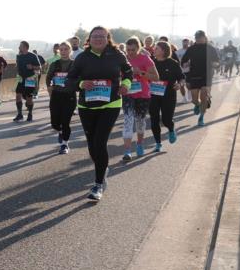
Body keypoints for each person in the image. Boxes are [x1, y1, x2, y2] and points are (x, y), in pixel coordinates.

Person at [65, 26, 134, 202]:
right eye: (95, 36)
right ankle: (103, 169)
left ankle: (98, 184)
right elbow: (69, 80)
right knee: (92, 145)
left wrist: (126, 84)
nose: (98, 39)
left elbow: (128, 71)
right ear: (89, 39)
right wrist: (81, 84)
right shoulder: (82, 57)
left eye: (101, 36)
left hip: (110, 103)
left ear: (107, 38)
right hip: (87, 106)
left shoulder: (117, 54)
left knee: (100, 142)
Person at [121, 37, 158, 160]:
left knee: (140, 122)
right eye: (128, 49)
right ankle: (127, 151)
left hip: (143, 94)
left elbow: (156, 77)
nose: (130, 52)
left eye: (133, 50)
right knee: (128, 120)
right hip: (128, 94)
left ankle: (140, 143)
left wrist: (141, 72)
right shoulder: (123, 59)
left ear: (139, 48)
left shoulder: (145, 59)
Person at [179, 30, 221, 127]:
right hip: (194, 75)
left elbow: (217, 61)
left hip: (207, 75)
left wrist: (216, 64)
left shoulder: (210, 48)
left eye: (200, 37)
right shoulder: (191, 49)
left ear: (205, 38)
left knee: (203, 96)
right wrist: (184, 64)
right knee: (194, 99)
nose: (198, 39)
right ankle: (197, 105)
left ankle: (201, 117)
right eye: (196, 37)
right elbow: (184, 60)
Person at [150, 41, 184, 151]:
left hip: (169, 95)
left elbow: (181, 77)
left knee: (166, 119)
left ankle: (170, 129)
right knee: (154, 119)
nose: (154, 50)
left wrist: (180, 84)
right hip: (153, 94)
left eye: (156, 48)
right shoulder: (151, 63)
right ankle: (158, 143)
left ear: (163, 51)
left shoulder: (173, 63)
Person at [45, 42, 76, 154]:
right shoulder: (54, 64)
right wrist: (49, 87)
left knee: (65, 121)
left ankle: (64, 144)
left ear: (70, 50)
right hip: (56, 95)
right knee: (55, 123)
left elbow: (79, 78)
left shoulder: (74, 64)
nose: (63, 51)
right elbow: (48, 78)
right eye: (61, 49)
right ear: (59, 51)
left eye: (66, 49)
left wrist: (73, 84)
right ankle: (60, 131)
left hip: (69, 96)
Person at [14, 41, 42, 122]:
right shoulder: (19, 56)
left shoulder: (32, 56)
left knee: (29, 98)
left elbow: (39, 67)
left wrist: (32, 67)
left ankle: (30, 113)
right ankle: (19, 114)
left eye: (20, 46)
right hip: (20, 78)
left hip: (30, 78)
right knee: (18, 95)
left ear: (25, 47)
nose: (19, 47)